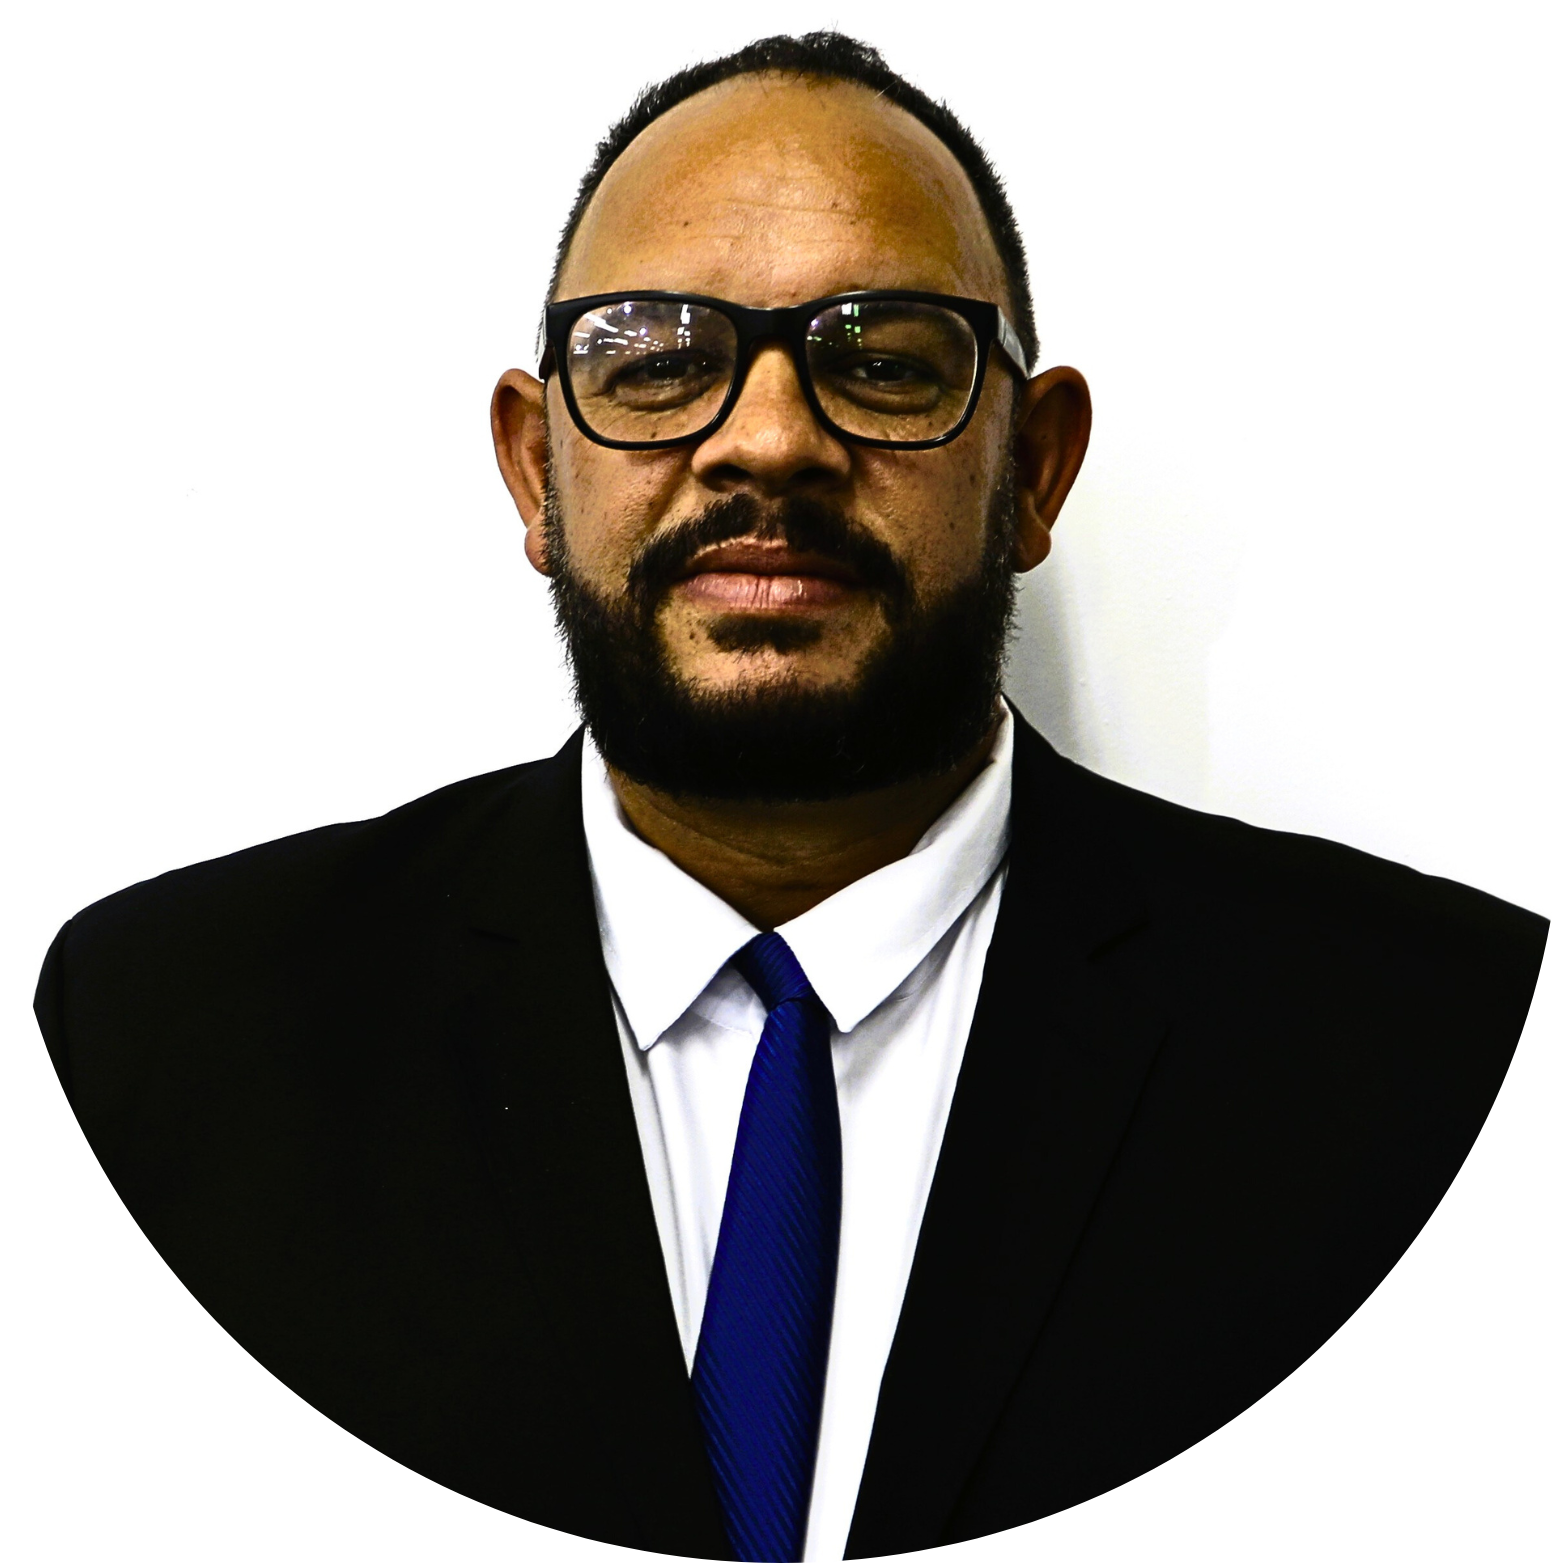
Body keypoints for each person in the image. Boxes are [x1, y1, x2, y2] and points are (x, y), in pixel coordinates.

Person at [33, 31, 1548, 1563]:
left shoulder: (1435, 1051)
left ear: (1032, 469)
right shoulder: (166, 1037)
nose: (766, 438)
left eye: (883, 358)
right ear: (534, 469)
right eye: (653, 356)